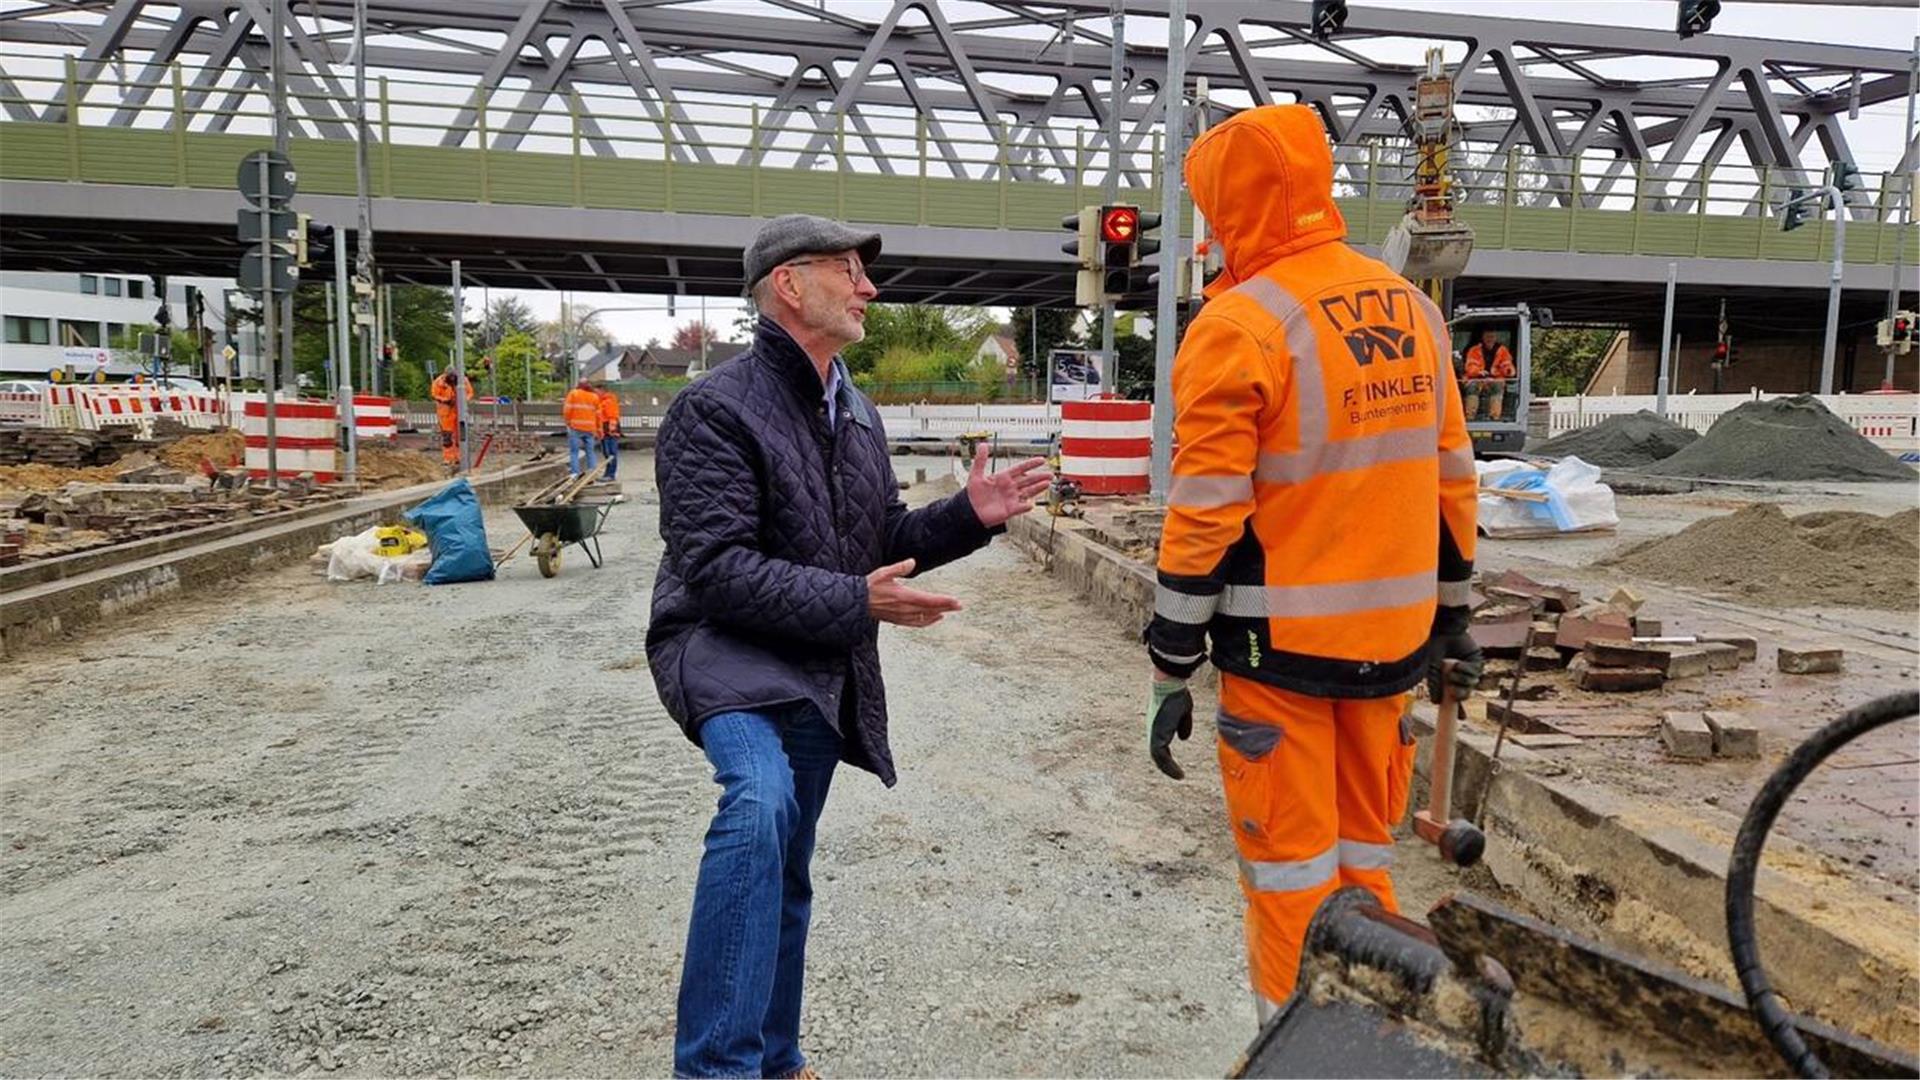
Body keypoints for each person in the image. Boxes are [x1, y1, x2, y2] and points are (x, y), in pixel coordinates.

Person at [646, 213, 1051, 1079]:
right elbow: (715, 568)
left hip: (816, 658)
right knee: (757, 807)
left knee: (786, 866)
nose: (870, 288)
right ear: (788, 285)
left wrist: (964, 518)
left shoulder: (856, 411)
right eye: (847, 270)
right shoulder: (711, 408)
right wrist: (853, 600)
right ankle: (714, 1069)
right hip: (724, 648)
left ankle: (779, 1059)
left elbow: (875, 536)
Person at [1141, 104, 1483, 1021]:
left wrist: (1172, 660)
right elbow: (1453, 477)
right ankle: (1376, 1033)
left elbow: (1207, 508)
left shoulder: (1239, 323)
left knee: (1289, 874)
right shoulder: (1412, 307)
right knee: (1362, 860)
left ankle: (1292, 1048)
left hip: (1280, 659)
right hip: (1393, 653)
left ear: (1230, 207)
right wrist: (1455, 620)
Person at [1461, 327, 1516, 421]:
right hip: (1476, 378)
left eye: (1492, 336)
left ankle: (1495, 417)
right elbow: (1470, 366)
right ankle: (1470, 417)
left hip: (1495, 379)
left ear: (1495, 338)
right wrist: (1478, 372)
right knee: (1472, 387)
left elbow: (1507, 365)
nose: (1489, 339)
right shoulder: (1474, 350)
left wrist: (1508, 371)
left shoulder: (1502, 351)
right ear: (1483, 337)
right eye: (1487, 336)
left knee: (1498, 386)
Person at [430, 367, 472, 469]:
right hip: (445, 413)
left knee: (460, 437)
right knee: (447, 437)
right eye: (450, 377)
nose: (452, 379)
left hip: (459, 412)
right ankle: (448, 458)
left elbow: (470, 393)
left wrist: (463, 400)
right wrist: (445, 400)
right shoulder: (439, 382)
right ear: (446, 375)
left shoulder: (463, 381)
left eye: (454, 376)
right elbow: (434, 394)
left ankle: (458, 458)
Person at [562, 378, 602, 476]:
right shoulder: (594, 397)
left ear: (579, 385)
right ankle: (592, 472)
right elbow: (598, 415)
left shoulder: (574, 394)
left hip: (576, 426)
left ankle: (575, 473)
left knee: (574, 452)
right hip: (590, 428)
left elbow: (567, 410)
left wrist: (568, 422)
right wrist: (598, 429)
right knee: (590, 452)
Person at [595, 385, 622, 481]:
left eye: (597, 391)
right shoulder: (602, 402)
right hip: (605, 430)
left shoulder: (608, 402)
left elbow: (612, 417)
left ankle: (611, 474)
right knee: (607, 453)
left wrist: (612, 430)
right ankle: (608, 473)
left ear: (602, 391)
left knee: (611, 453)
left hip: (609, 431)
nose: (595, 394)